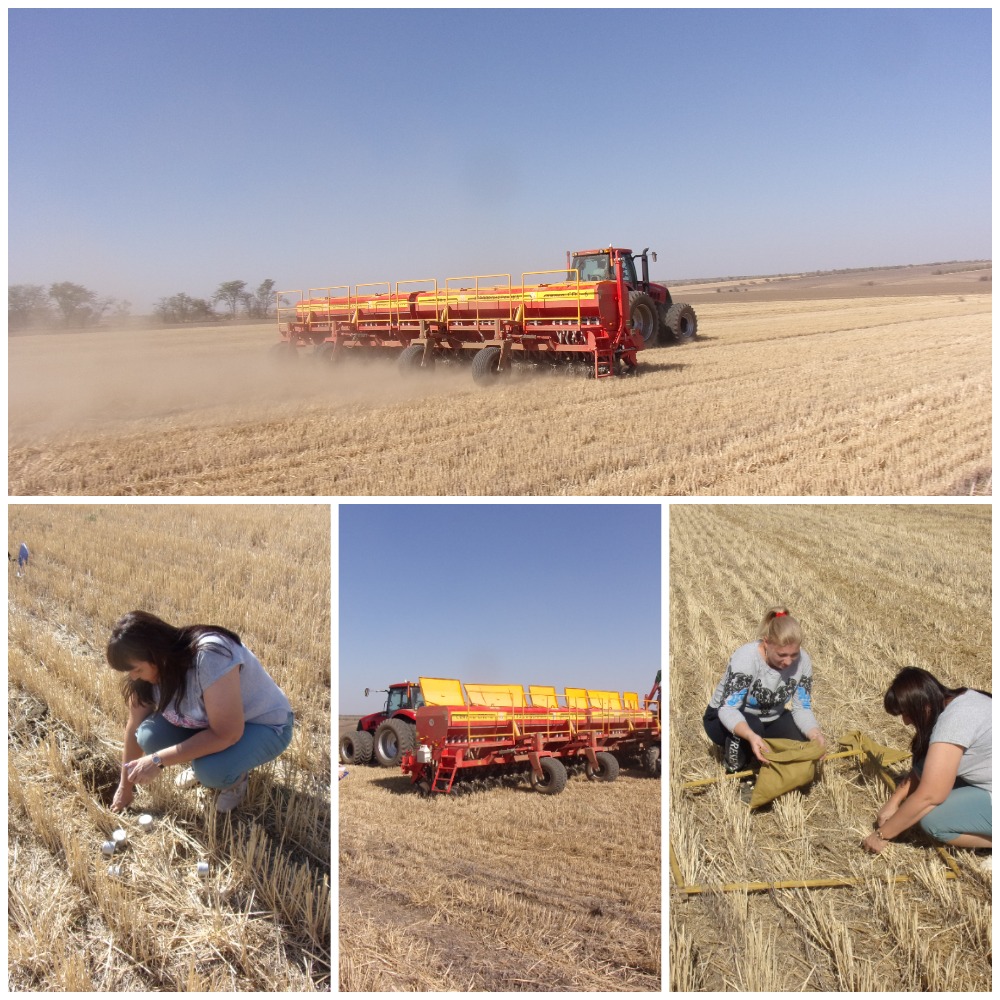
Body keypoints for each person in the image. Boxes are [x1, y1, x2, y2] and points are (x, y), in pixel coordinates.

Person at [106, 610, 294, 814]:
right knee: (149, 736)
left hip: (262, 724)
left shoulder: (210, 656)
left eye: (137, 670)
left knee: (211, 771)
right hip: (210, 722)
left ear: (155, 654)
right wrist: (125, 787)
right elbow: (134, 725)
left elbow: (227, 733)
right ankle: (209, 758)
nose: (133, 678)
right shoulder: (148, 676)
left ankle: (234, 780)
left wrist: (158, 760)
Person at [862, 667, 991, 856]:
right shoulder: (962, 700)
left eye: (907, 713)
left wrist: (882, 835)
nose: (906, 722)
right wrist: (895, 801)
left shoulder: (954, 723)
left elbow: (931, 795)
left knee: (933, 819)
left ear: (924, 706)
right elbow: (928, 766)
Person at [703, 607, 826, 774]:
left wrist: (814, 734)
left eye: (794, 654)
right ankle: (736, 770)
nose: (789, 662)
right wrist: (751, 736)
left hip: (770, 718)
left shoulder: (803, 662)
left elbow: (802, 708)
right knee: (752, 727)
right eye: (782, 655)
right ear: (766, 642)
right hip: (722, 718)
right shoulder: (746, 658)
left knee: (801, 741)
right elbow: (728, 709)